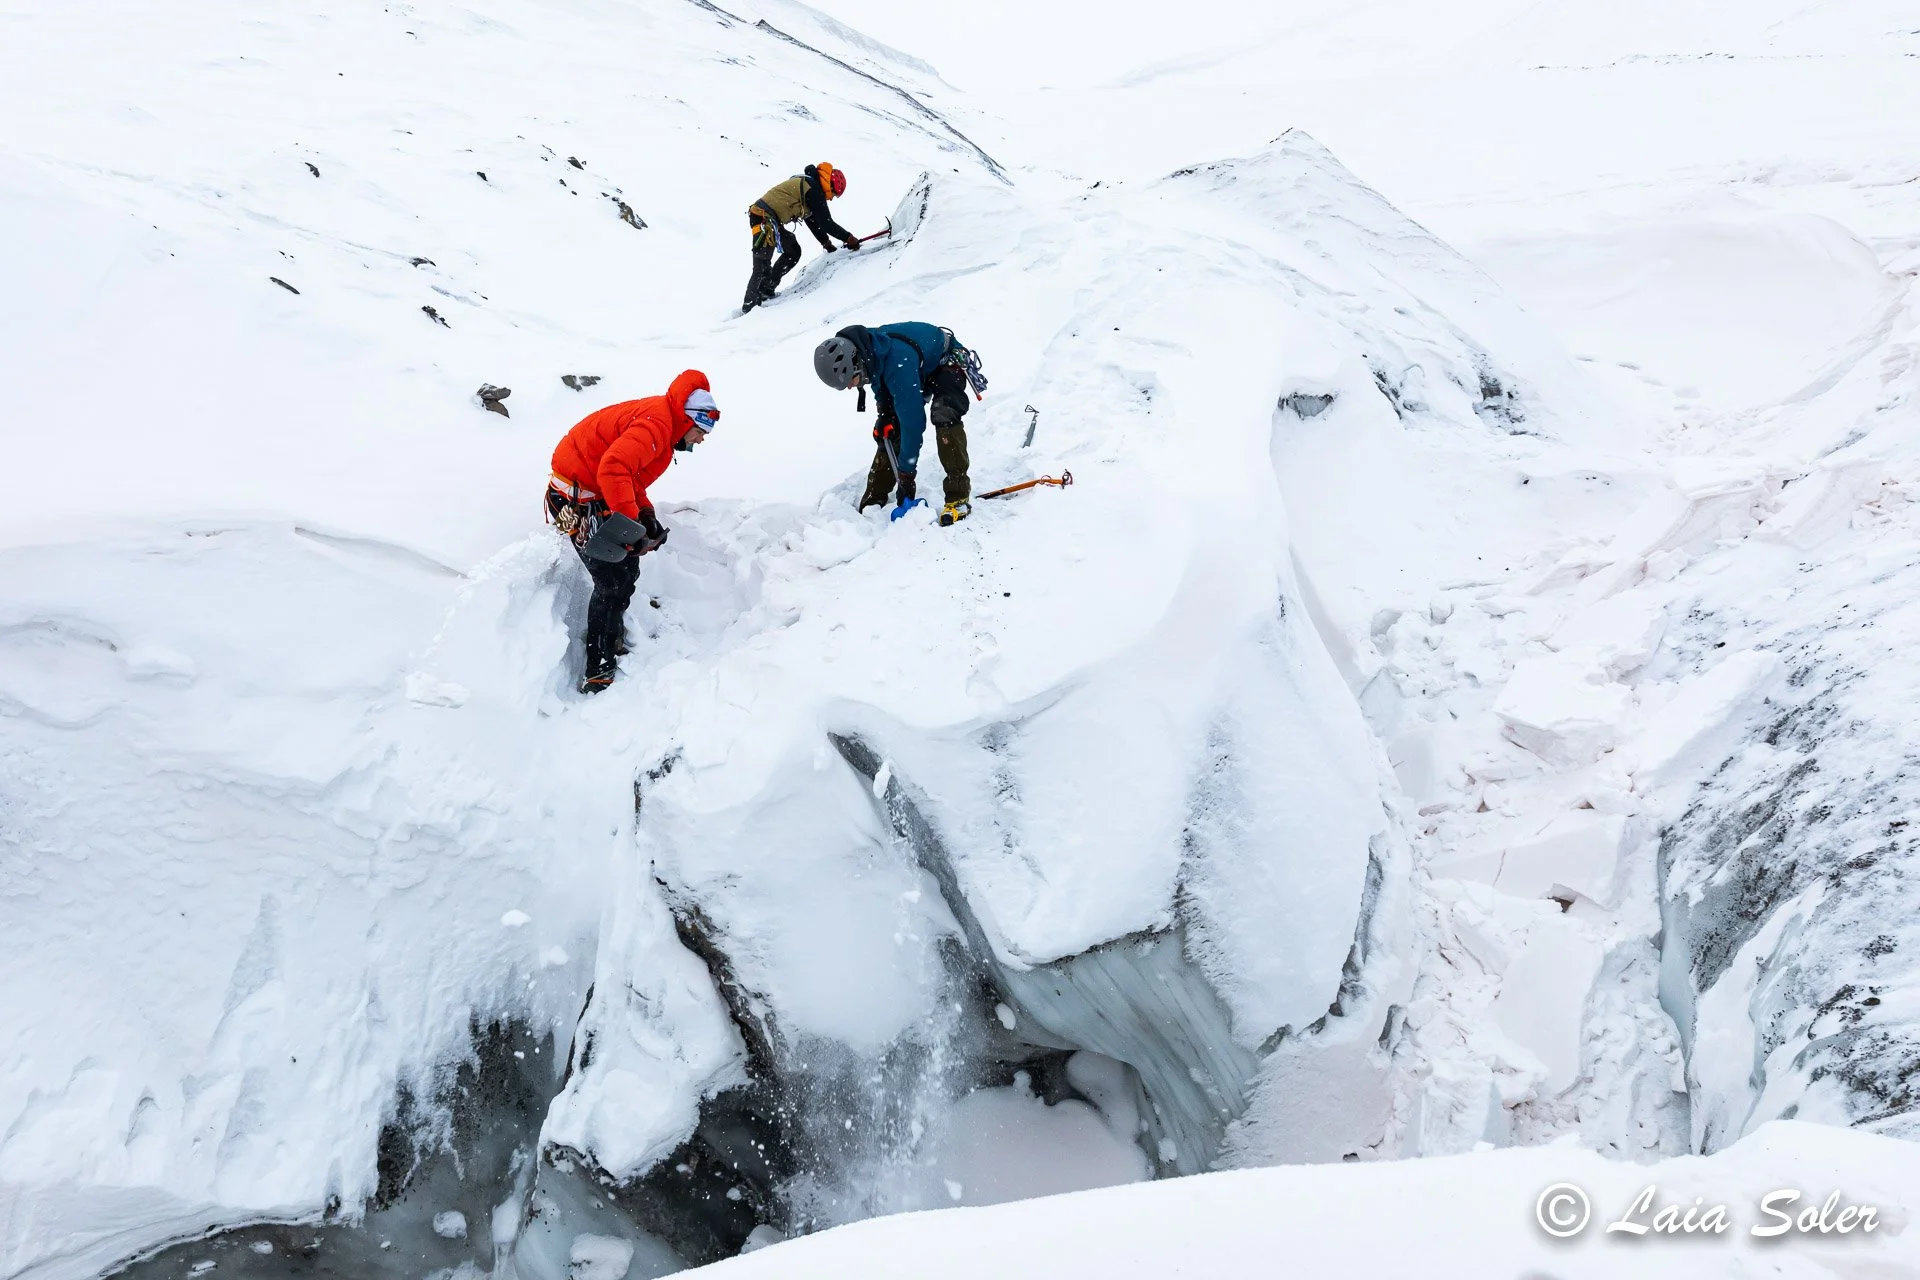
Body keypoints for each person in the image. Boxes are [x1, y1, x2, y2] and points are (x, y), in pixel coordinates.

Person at [547, 371, 718, 693]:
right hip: (575, 501)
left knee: (626, 571)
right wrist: (629, 521)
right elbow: (613, 469)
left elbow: (631, 477)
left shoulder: (664, 428)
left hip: (592, 494)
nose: (701, 439)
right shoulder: (656, 425)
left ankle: (611, 638)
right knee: (611, 581)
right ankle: (598, 668)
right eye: (700, 431)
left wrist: (645, 513)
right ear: (687, 422)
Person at [813, 323, 982, 526]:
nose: (851, 387)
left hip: (945, 361)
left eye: (851, 380)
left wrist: (907, 474)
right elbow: (878, 379)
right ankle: (875, 498)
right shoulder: (868, 350)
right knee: (890, 426)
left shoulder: (896, 359)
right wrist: (884, 412)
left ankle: (958, 496)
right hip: (915, 367)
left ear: (856, 364)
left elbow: (913, 424)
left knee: (944, 413)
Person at [743, 162, 860, 313]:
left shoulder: (809, 185)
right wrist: (849, 238)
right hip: (764, 218)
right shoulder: (813, 188)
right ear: (829, 184)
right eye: (833, 193)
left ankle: (766, 289)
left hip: (770, 219)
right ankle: (750, 306)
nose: (831, 198)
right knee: (762, 262)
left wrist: (826, 243)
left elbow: (812, 221)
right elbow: (826, 223)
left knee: (793, 251)